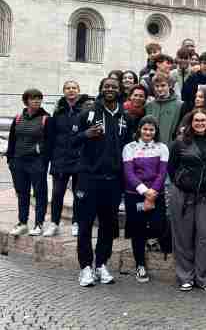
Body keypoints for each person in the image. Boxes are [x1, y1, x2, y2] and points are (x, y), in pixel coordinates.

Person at [75, 77, 133, 287]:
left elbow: (128, 148)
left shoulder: (125, 116)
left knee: (108, 226)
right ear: (101, 89)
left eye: (114, 87)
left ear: (119, 91)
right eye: (106, 86)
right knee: (85, 225)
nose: (110, 89)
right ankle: (85, 267)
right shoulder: (88, 112)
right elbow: (71, 141)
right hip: (89, 179)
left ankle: (101, 265)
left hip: (113, 180)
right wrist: (85, 134)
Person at [168, 109, 206, 292]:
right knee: (183, 237)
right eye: (196, 120)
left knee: (204, 236)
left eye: (203, 120)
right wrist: (183, 182)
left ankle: (204, 277)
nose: (200, 123)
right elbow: (171, 168)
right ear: (190, 122)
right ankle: (185, 276)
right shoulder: (179, 143)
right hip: (183, 195)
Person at [122, 115, 169, 283]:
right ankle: (140, 265)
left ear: (156, 131)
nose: (148, 132)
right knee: (137, 231)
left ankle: (152, 240)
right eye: (145, 128)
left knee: (158, 224)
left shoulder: (162, 147)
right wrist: (144, 192)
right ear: (139, 130)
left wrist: (153, 193)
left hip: (156, 195)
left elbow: (162, 173)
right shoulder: (130, 147)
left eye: (151, 129)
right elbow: (129, 173)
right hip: (135, 196)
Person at [46, 81, 89, 237]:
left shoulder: (85, 110)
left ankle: (76, 222)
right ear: (64, 91)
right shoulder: (58, 110)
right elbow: (51, 135)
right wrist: (51, 156)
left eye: (74, 88)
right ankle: (54, 223)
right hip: (60, 158)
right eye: (68, 88)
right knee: (57, 193)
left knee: (78, 193)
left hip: (78, 158)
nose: (71, 91)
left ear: (78, 91)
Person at [7, 88, 52, 237]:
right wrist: (10, 160)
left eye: (39, 98)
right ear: (26, 101)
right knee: (22, 193)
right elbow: (12, 140)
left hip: (36, 162)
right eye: (33, 98)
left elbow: (50, 142)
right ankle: (22, 223)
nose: (37, 101)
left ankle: (38, 224)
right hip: (18, 162)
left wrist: (42, 159)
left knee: (40, 193)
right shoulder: (18, 118)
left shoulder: (46, 118)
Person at [145, 73, 183, 144]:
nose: (159, 89)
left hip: (170, 146)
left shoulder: (179, 105)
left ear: (170, 85)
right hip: (151, 146)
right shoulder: (149, 105)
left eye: (163, 85)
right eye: (157, 86)